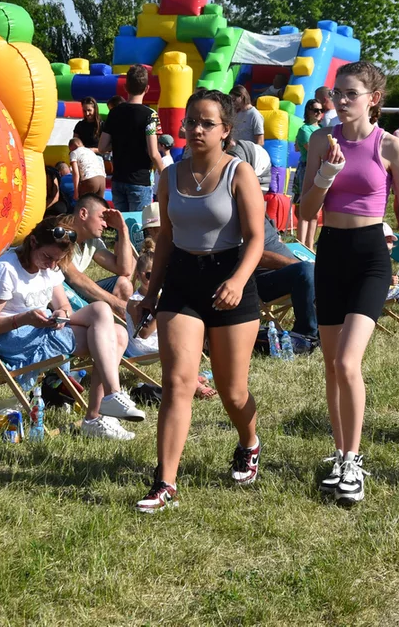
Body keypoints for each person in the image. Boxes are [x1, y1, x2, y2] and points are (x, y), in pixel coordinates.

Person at [299, 61, 399, 506]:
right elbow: (304, 211)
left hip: (372, 255)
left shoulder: (389, 145)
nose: (340, 100)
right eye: (337, 93)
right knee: (332, 366)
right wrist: (325, 175)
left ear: (373, 99)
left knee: (349, 363)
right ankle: (339, 454)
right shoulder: (321, 139)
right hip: (330, 253)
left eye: (351, 93)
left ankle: (353, 462)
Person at [135, 88, 265, 513]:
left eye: (207, 122)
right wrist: (150, 294)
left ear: (226, 130)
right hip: (183, 282)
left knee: (231, 389)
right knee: (178, 383)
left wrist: (238, 281)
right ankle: (165, 483)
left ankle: (250, 442)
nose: (195, 129)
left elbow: (257, 238)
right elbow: (167, 238)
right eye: (191, 121)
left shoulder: (239, 173)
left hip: (231, 279)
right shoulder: (169, 175)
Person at [0, 216, 144, 441]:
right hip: (17, 338)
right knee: (113, 337)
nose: (52, 265)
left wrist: (62, 313)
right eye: (48, 257)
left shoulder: (50, 266)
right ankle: (97, 414)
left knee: (112, 323)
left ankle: (109, 401)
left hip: (43, 326)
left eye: (58, 260)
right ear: (33, 242)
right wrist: (25, 318)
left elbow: (63, 305)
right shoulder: (5, 270)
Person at [123, 239, 218, 401]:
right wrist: (161, 308)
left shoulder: (161, 293)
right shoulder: (135, 302)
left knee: (191, 330)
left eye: (159, 275)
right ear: (138, 276)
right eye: (149, 275)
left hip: (161, 339)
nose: (154, 280)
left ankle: (190, 375)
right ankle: (194, 383)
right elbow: (144, 333)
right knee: (178, 345)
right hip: (141, 346)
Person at [98, 65, 162, 211]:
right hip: (140, 181)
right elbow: (153, 153)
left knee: (121, 227)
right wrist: (165, 173)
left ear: (125, 87)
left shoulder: (114, 113)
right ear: (147, 89)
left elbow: (102, 147)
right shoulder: (150, 115)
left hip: (119, 179)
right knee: (138, 228)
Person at [59, 194, 135, 316]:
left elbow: (124, 270)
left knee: (123, 284)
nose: (106, 225)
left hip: (75, 293)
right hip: (58, 299)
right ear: (83, 214)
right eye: (102, 218)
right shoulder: (61, 234)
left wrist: (122, 229)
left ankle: (126, 331)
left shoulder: (92, 241)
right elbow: (74, 278)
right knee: (115, 303)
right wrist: (115, 303)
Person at [253, 215, 318, 346]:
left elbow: (278, 241)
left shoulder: (260, 210)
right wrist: (298, 264)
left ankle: (333, 328)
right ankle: (306, 336)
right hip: (266, 280)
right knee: (306, 270)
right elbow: (254, 254)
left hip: (293, 272)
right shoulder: (234, 217)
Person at [293, 99, 323, 250]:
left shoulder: (322, 128)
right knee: (304, 209)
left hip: (320, 169)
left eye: (320, 110)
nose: (318, 113)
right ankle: (301, 244)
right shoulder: (305, 129)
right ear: (308, 111)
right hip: (307, 169)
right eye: (315, 110)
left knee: (315, 212)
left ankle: (310, 245)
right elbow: (312, 150)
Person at [68, 137, 106, 202]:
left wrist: (76, 192)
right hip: (102, 179)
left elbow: (75, 174)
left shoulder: (74, 153)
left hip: (90, 179)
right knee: (99, 205)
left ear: (72, 147)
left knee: (84, 204)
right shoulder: (90, 151)